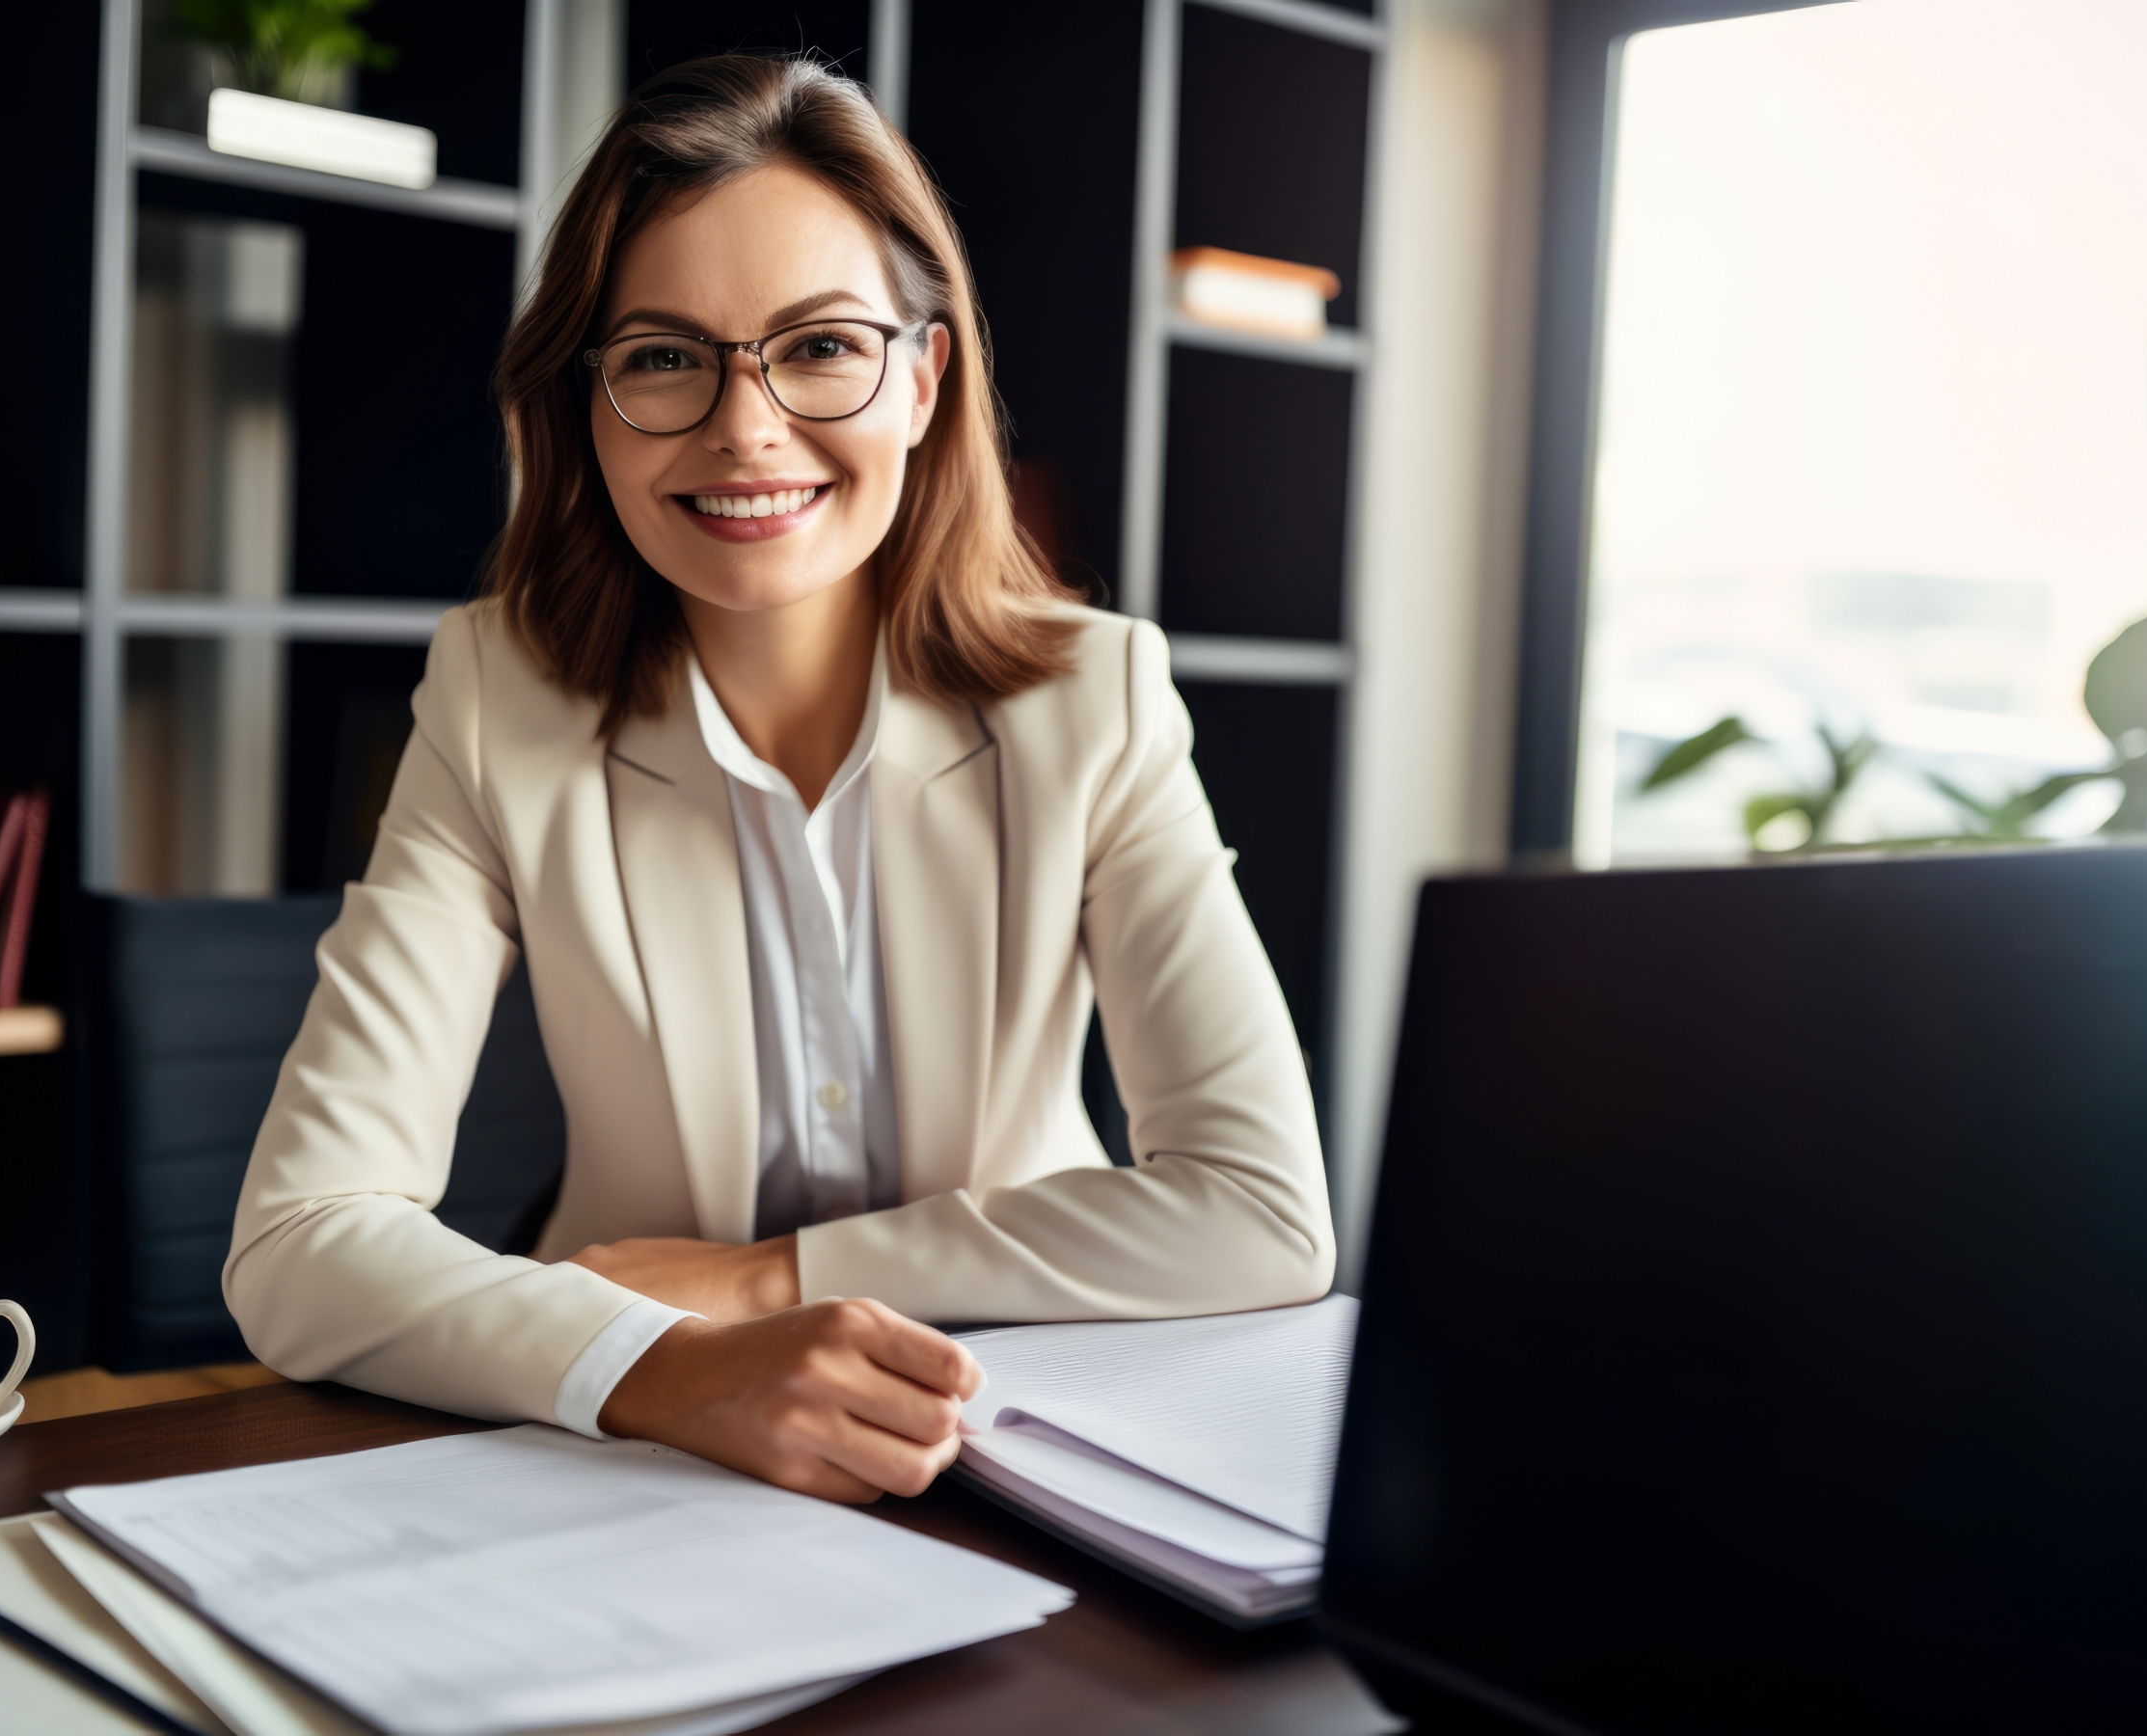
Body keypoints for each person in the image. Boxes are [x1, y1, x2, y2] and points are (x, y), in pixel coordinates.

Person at [226, 54, 1332, 1505]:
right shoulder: (500, 698)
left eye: (820, 348)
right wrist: (667, 1369)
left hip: (1018, 1426)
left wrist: (766, 1282)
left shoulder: (1096, 700)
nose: (744, 430)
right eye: (666, 357)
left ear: (925, 381)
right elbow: (299, 1244)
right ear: (591, 406)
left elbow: (1260, 1217)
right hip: (634, 1455)